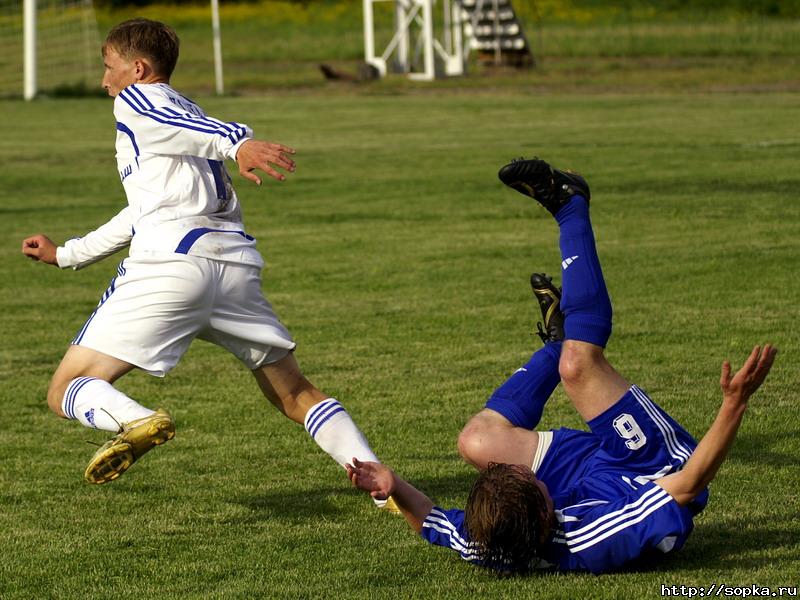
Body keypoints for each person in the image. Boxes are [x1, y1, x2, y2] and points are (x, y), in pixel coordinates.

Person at [346, 157, 778, 572]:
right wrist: (734, 403)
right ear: (545, 512)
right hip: (652, 471)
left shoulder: (490, 539)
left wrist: (394, 483)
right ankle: (569, 205)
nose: (527, 473)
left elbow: (432, 521)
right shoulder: (599, 537)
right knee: (578, 365)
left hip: (584, 480)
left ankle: (557, 342)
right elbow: (690, 484)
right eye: (530, 480)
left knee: (476, 442)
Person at [21, 19, 389, 503]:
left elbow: (202, 150)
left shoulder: (140, 102)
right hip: (233, 265)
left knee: (66, 387)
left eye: (108, 67)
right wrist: (68, 253)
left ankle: (135, 420)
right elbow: (146, 208)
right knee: (294, 392)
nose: (103, 81)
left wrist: (238, 142)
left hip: (171, 265)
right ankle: (382, 483)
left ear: (138, 68)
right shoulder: (184, 114)